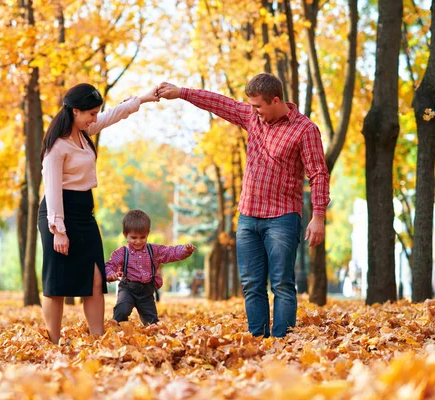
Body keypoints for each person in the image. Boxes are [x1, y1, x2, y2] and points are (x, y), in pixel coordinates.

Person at [157, 73, 330, 338]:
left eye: (258, 106)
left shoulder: (305, 130)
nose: (254, 111)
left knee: (282, 283)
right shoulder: (253, 118)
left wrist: (318, 216)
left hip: (283, 217)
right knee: (251, 284)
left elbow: (318, 173)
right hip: (248, 217)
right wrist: (181, 92)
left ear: (275, 100)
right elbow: (218, 102)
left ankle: (281, 342)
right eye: (251, 106)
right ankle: (258, 339)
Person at [38, 84, 159, 344]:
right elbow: (53, 190)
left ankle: (96, 339)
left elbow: (114, 114)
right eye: (91, 114)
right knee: (56, 282)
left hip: (83, 212)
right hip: (57, 213)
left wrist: (142, 99)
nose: (95, 119)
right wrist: (58, 230)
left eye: (96, 114)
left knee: (95, 276)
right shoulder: (56, 148)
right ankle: (53, 341)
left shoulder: (83, 133)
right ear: (75, 111)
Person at [105, 209, 196, 325]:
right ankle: (118, 329)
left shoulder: (153, 250)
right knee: (121, 310)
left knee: (152, 322)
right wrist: (110, 274)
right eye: (133, 238)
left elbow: (170, 252)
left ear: (148, 234)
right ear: (125, 234)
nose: (138, 241)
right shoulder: (122, 252)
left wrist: (184, 250)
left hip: (146, 291)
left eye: (142, 237)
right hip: (128, 288)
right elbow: (110, 264)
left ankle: (152, 330)